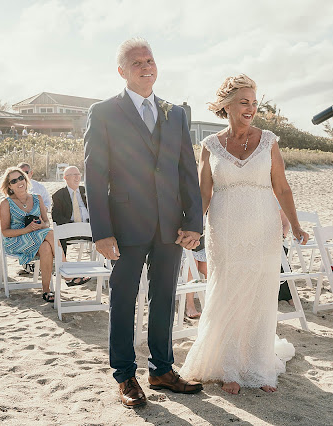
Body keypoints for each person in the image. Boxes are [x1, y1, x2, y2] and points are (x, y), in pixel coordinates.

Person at [84, 37, 204, 408]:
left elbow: (187, 170)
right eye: (137, 62)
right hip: (124, 225)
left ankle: (161, 369)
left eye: (150, 59)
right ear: (122, 71)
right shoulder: (104, 112)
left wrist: (193, 222)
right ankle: (124, 375)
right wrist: (102, 232)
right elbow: (94, 174)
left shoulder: (176, 113)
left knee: (165, 297)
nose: (146, 66)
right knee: (124, 299)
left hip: (171, 225)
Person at [180, 74, 309, 395]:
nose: (251, 108)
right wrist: (194, 227)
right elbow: (203, 193)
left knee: (259, 295)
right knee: (227, 293)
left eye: (254, 102)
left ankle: (259, 366)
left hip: (263, 228)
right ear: (227, 105)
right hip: (223, 230)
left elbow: (282, 186)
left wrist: (295, 224)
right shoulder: (210, 146)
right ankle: (229, 369)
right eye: (244, 102)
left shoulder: (269, 140)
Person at [0, 167, 55, 303]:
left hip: (38, 237)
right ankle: (66, 269)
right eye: (14, 180)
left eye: (21, 177)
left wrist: (41, 226)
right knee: (50, 233)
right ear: (9, 186)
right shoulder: (6, 203)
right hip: (15, 241)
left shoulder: (37, 198)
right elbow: (5, 232)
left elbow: (47, 222)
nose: (19, 182)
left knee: (46, 247)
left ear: (26, 179)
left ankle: (46, 290)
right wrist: (28, 229)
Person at [51, 165, 91, 286]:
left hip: (89, 228)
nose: (77, 177)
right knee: (58, 236)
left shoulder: (87, 191)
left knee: (108, 234)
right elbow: (56, 217)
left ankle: (108, 264)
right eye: (73, 175)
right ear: (65, 178)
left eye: (78, 174)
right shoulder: (58, 195)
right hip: (69, 230)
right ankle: (65, 272)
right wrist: (72, 226)